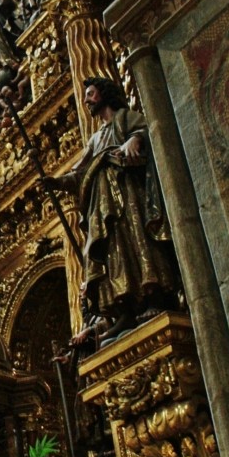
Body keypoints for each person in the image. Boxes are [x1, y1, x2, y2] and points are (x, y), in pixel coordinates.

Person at [50, 76, 179, 343]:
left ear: (104, 93)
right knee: (114, 251)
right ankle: (126, 306)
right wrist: (56, 182)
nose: (86, 100)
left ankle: (153, 294)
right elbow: (80, 173)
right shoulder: (95, 139)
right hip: (105, 204)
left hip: (130, 195)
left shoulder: (125, 118)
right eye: (85, 95)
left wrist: (136, 139)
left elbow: (151, 129)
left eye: (91, 93)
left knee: (139, 242)